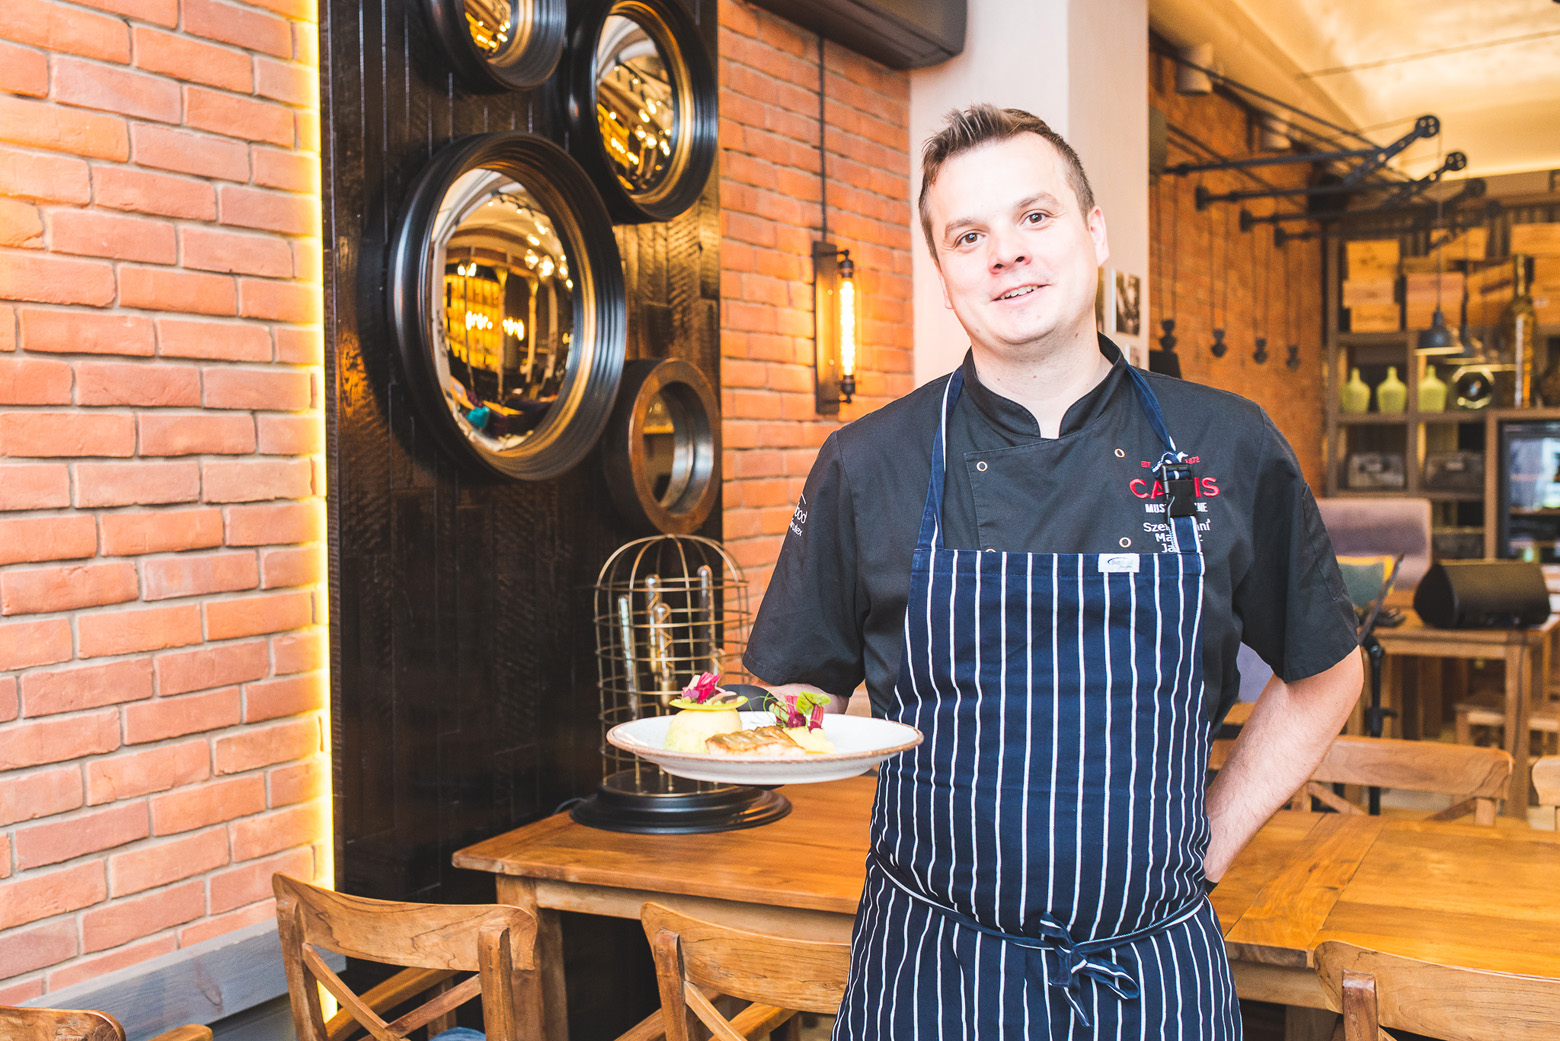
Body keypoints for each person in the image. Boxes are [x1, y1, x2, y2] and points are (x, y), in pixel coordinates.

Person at [742, 104, 1363, 1039]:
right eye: (968, 236)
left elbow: (1327, 669)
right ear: (945, 274)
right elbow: (797, 693)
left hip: (1153, 972)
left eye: (1034, 216)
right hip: (929, 970)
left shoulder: (1226, 442)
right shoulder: (867, 463)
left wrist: (1211, 841)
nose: (1006, 253)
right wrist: (729, 725)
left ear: (1094, 232)